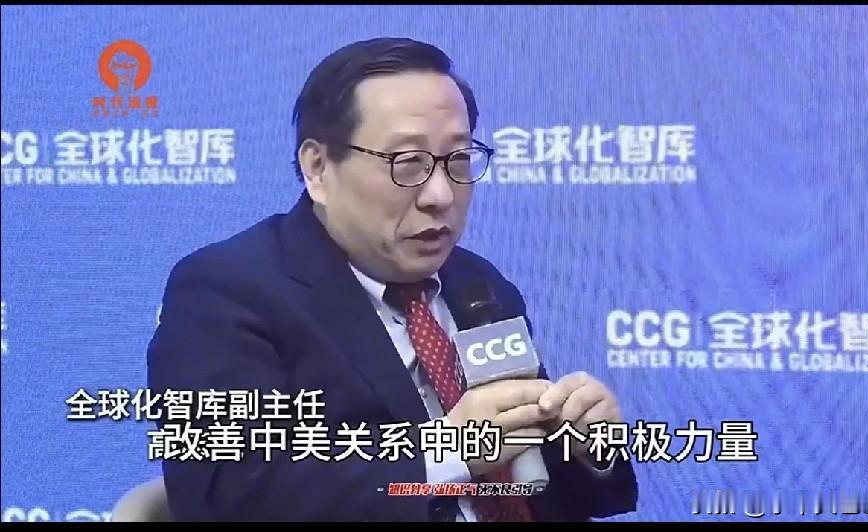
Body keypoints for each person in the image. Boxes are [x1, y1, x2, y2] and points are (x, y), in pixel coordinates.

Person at [146, 37, 638, 522]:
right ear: (318, 168)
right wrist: (449, 452)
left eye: (458, 161)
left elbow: (544, 491)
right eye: (408, 164)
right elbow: (227, 496)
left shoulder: (478, 284)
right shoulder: (227, 291)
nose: (440, 195)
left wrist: (587, 447)